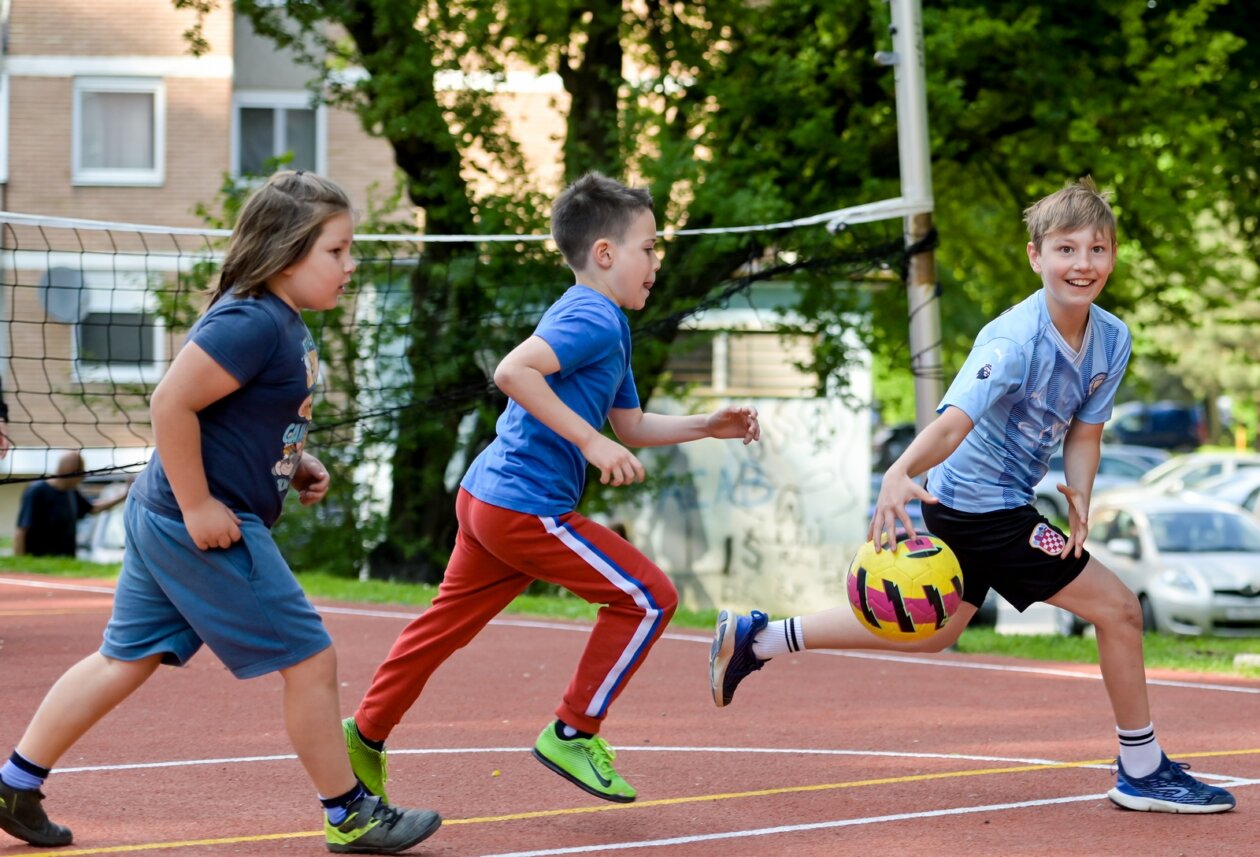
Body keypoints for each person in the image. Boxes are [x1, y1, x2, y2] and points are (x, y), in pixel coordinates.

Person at [710, 177, 1236, 815]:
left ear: (1114, 255)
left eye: (1097, 250)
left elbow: (1086, 431)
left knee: (936, 633)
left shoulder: (1111, 339)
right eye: (1066, 250)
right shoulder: (1011, 341)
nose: (1083, 264)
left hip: (996, 505)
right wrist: (899, 470)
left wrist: (1080, 494)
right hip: (975, 508)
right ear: (1035, 256)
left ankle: (760, 637)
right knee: (1120, 611)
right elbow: (955, 419)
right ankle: (1142, 767)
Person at [0, 171, 442, 853]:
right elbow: (170, 404)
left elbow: (245, 418)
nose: (350, 265)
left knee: (127, 656)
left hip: (166, 512)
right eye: (336, 250)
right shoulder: (252, 319)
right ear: (287, 251)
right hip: (200, 520)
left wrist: (296, 461)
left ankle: (13, 784)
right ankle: (349, 811)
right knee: (312, 657)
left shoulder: (281, 321)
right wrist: (201, 502)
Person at [342, 171, 761, 805]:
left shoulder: (606, 323)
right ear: (604, 253)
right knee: (648, 598)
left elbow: (631, 425)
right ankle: (574, 729)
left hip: (488, 498)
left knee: (442, 627)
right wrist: (591, 444)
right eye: (648, 248)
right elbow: (513, 372)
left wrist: (708, 425)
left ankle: (364, 735)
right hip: (523, 505)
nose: (657, 261)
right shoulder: (593, 314)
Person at [13, 451, 129, 557]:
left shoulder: (71, 491)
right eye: (81, 473)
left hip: (64, 562)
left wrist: (124, 496)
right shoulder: (37, 491)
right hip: (39, 562)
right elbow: (21, 530)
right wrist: (20, 564)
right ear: (72, 471)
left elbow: (93, 508)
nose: (82, 477)